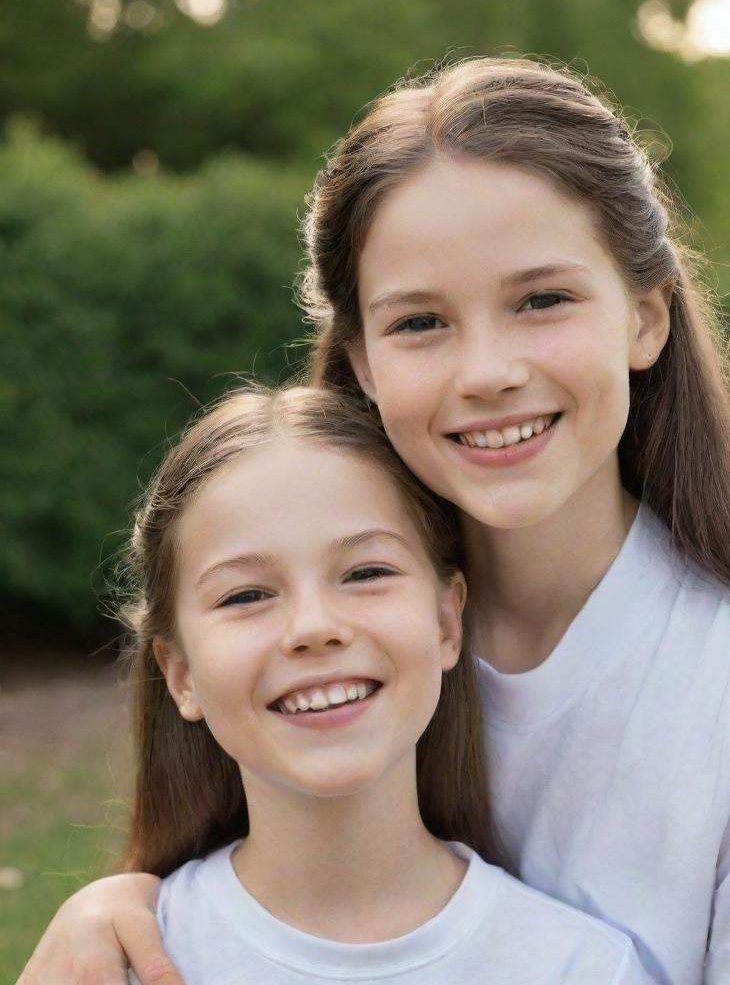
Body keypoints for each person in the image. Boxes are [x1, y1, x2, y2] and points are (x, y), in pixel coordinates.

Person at [21, 56, 730, 985]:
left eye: (542, 300)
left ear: (647, 318)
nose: (486, 371)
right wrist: (126, 905)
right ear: (363, 360)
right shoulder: (334, 650)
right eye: (420, 322)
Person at [115, 383, 651, 984]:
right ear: (179, 674)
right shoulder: (123, 962)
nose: (314, 628)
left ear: (447, 622)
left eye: (366, 572)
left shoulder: (580, 969)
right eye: (247, 595)